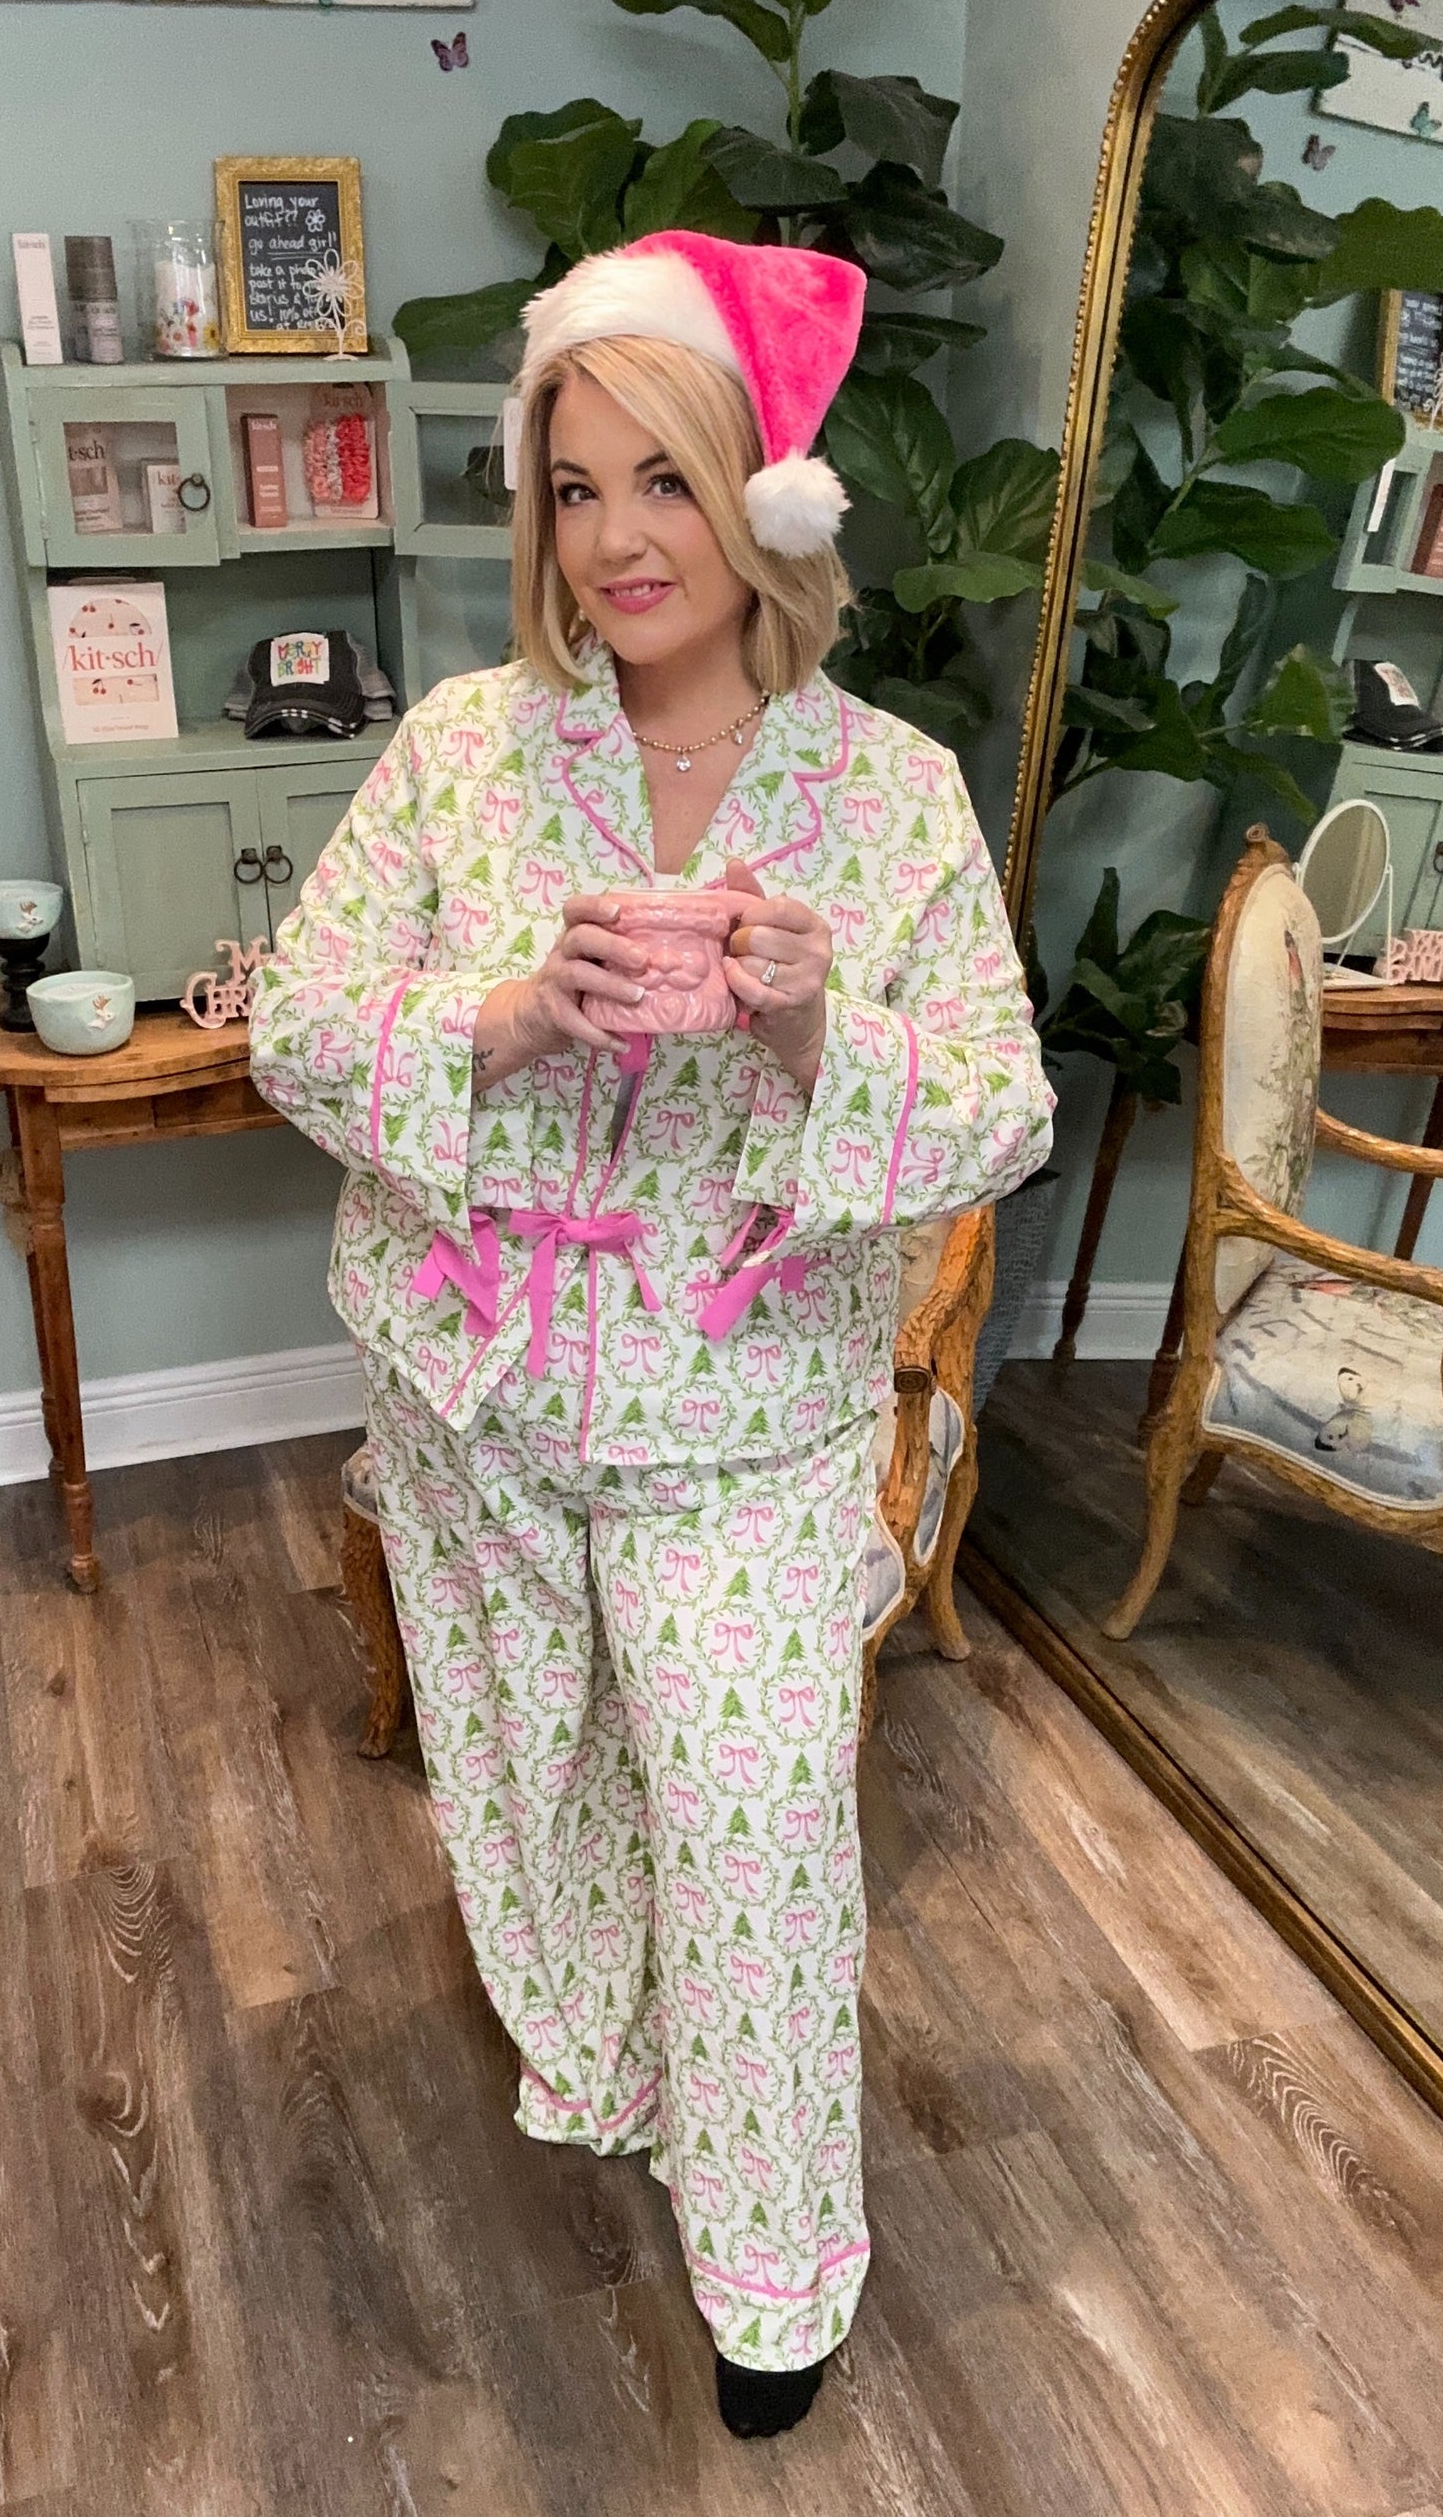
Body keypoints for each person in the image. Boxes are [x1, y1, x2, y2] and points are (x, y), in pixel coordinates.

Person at [248, 229, 1053, 2437]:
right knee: (531, 1789)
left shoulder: (887, 794)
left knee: (754, 1823)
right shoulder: (461, 752)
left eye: (666, 479)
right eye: (573, 486)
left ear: (759, 499)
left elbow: (1000, 1110)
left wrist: (809, 1031)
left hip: (750, 1422)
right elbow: (298, 1029)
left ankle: (775, 2265)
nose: (616, 538)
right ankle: (606, 2072)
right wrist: (510, 1014)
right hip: (477, 1396)